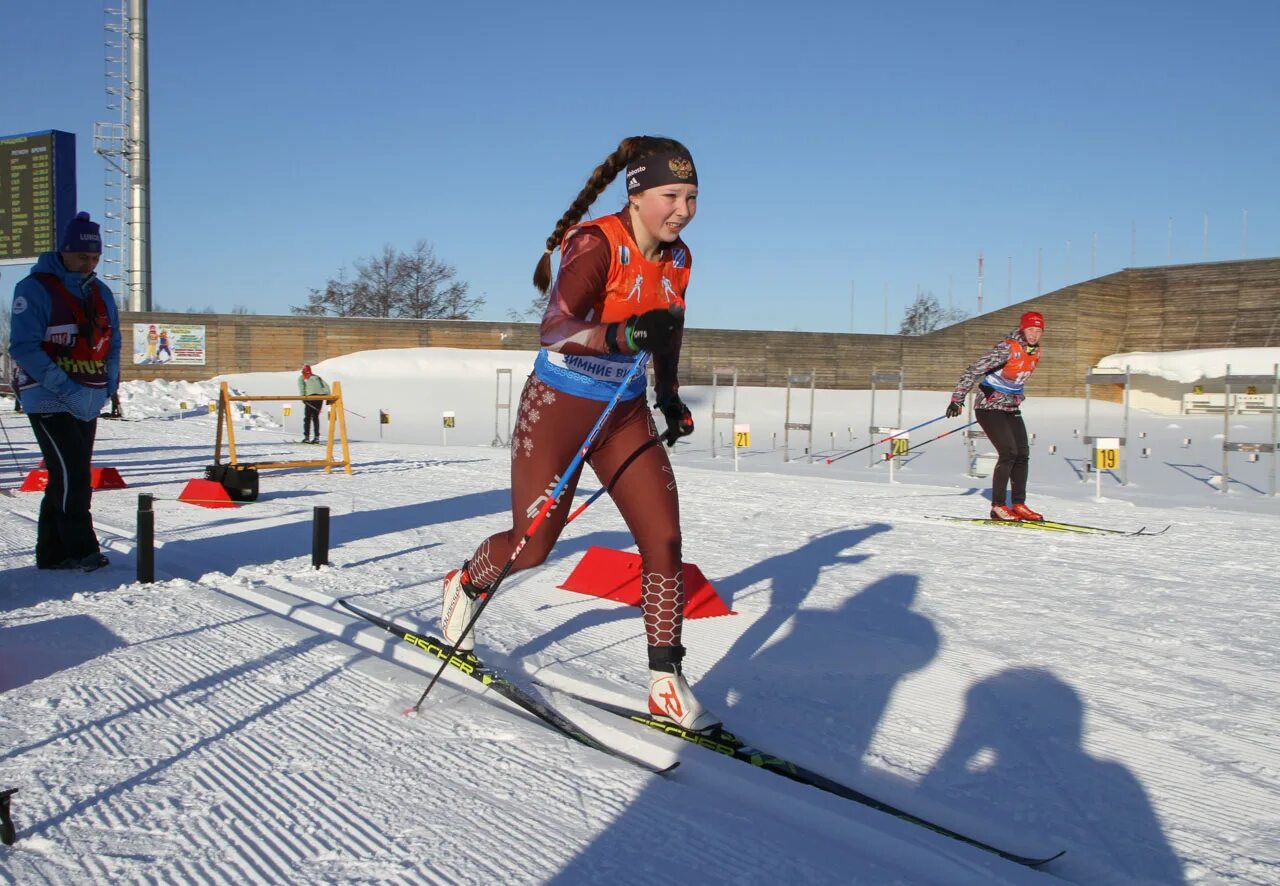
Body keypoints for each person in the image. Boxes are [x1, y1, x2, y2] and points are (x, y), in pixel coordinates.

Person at [440, 135, 717, 732]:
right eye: (671, 195)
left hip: (622, 410)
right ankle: (465, 583)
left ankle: (666, 681)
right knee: (534, 545)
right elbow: (556, 326)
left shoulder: (681, 258)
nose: (683, 210)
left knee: (663, 539)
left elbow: (668, 330)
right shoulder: (597, 243)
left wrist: (668, 396)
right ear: (636, 193)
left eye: (692, 197)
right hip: (560, 406)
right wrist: (623, 337)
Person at [8, 212, 121, 571]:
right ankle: (82, 547)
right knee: (73, 472)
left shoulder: (100, 292)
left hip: (87, 394)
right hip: (46, 394)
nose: (89, 265)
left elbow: (113, 341)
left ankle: (51, 552)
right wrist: (63, 384)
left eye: (95, 259)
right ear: (64, 252)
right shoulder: (34, 288)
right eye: (82, 257)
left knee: (64, 472)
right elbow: (23, 347)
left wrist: (110, 385)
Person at [946, 311, 1045, 522]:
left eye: (1038, 331)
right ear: (1022, 329)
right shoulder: (1007, 348)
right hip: (989, 407)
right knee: (1008, 452)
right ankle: (998, 506)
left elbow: (1016, 381)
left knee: (1022, 453)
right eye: (1031, 329)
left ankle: (1018, 504)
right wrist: (957, 399)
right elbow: (973, 370)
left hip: (1009, 407)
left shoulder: (1035, 352)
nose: (1034, 335)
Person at [297, 364, 331, 443]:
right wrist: (327, 395)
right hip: (320, 397)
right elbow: (326, 386)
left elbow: (302, 387)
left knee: (307, 418)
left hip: (310, 397)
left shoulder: (302, 377)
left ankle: (307, 437)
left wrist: (302, 397)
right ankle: (316, 437)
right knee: (315, 417)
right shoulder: (317, 377)